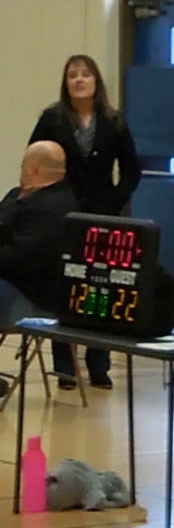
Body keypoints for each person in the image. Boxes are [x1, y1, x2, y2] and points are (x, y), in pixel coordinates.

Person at [30, 54, 140, 390]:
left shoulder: (113, 121)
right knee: (64, 287)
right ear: (66, 83)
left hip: (103, 212)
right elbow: (34, 157)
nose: (79, 80)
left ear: (96, 82)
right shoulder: (52, 119)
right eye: (72, 75)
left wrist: (114, 202)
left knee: (102, 290)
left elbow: (132, 170)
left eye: (86, 74)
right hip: (62, 213)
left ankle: (99, 364)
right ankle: (65, 366)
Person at [0, 142, 80, 396]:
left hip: (34, 296)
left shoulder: (55, 208)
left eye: (24, 164)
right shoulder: (18, 196)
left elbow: (20, 259)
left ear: (33, 168)